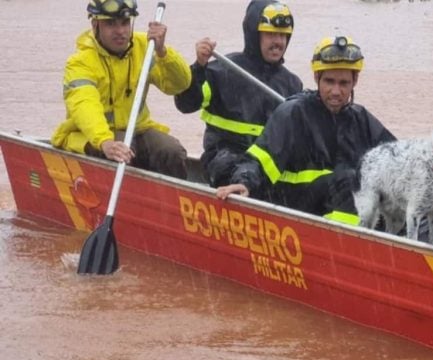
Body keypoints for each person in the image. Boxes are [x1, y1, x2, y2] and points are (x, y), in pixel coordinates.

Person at [215, 36, 396, 224]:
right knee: (350, 181)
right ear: (317, 78)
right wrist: (243, 182)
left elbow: (396, 157)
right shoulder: (293, 113)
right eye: (329, 81)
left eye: (343, 84)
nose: (335, 91)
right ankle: (346, 246)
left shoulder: (360, 118)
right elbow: (260, 161)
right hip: (293, 206)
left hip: (338, 204)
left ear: (354, 81)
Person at [51, 0, 191, 179]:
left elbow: (179, 85)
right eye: (110, 24)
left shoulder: (146, 46)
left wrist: (163, 52)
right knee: (121, 153)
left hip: (138, 130)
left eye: (125, 23)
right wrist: (105, 141)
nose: (120, 31)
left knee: (172, 151)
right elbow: (84, 106)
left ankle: (173, 201)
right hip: (92, 136)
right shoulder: (80, 62)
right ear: (95, 25)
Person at [174, 0, 303, 187]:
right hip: (224, 158)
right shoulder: (220, 70)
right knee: (237, 169)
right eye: (271, 34)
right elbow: (186, 104)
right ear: (253, 35)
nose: (278, 42)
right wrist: (199, 67)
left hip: (266, 161)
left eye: (283, 36)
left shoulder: (292, 84)